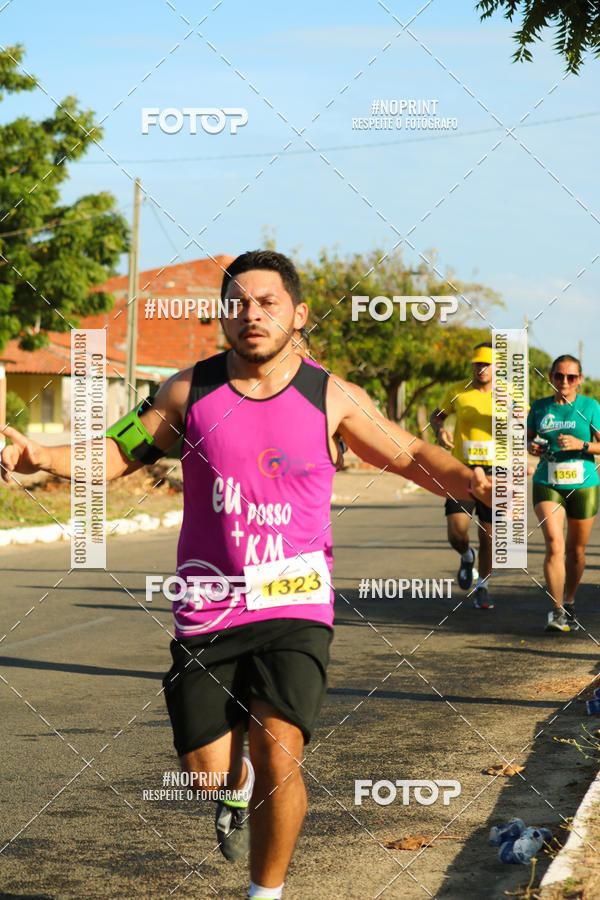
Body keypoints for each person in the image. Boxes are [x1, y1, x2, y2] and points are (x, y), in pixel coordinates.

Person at [1, 250, 492, 900]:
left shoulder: (331, 395)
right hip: (207, 607)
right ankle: (232, 792)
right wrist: (40, 454)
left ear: (298, 314)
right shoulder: (188, 389)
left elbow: (408, 453)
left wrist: (473, 482)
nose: (252, 315)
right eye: (238, 303)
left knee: (280, 748)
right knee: (206, 773)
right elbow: (118, 451)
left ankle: (267, 893)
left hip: (295, 602)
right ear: (222, 315)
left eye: (268, 303)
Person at [527, 355, 600, 633]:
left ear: (579, 379)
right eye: (559, 376)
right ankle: (556, 611)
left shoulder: (590, 406)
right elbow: (530, 439)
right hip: (548, 480)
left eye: (571, 377)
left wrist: (582, 444)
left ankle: (569, 601)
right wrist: (532, 447)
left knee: (576, 551)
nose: (564, 382)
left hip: (583, 484)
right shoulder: (540, 407)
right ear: (551, 377)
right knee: (555, 544)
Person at [430, 343, 498, 610]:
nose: (481, 368)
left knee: (488, 535)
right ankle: (466, 556)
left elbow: (524, 424)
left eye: (486, 364)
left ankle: (483, 587)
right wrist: (440, 431)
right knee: (456, 531)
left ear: (497, 367)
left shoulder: (510, 393)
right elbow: (438, 415)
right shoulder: (458, 391)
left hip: (495, 472)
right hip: (462, 470)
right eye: (477, 363)